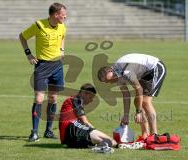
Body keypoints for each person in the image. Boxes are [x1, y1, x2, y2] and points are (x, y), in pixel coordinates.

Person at [19, 3, 67, 142]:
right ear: (55, 14)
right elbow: (22, 37)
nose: (65, 16)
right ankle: (34, 133)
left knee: (53, 99)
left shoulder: (62, 26)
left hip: (57, 66)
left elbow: (63, 37)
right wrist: (28, 54)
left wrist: (62, 50)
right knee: (39, 99)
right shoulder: (39, 25)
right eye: (63, 14)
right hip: (42, 66)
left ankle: (48, 131)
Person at [97, 53, 166, 141]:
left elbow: (139, 89)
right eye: (107, 82)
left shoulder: (126, 72)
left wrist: (138, 111)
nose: (110, 83)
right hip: (143, 72)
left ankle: (154, 135)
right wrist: (126, 115)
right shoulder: (116, 74)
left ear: (111, 71)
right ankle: (145, 134)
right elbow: (126, 95)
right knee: (138, 102)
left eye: (110, 80)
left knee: (145, 101)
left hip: (155, 67)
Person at [59, 83, 117, 153]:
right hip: (72, 131)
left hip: (70, 139)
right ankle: (99, 148)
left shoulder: (74, 101)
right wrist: (93, 130)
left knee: (110, 142)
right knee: (111, 141)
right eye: (90, 97)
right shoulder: (75, 100)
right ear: (84, 93)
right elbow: (85, 121)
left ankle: (99, 147)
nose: (91, 100)